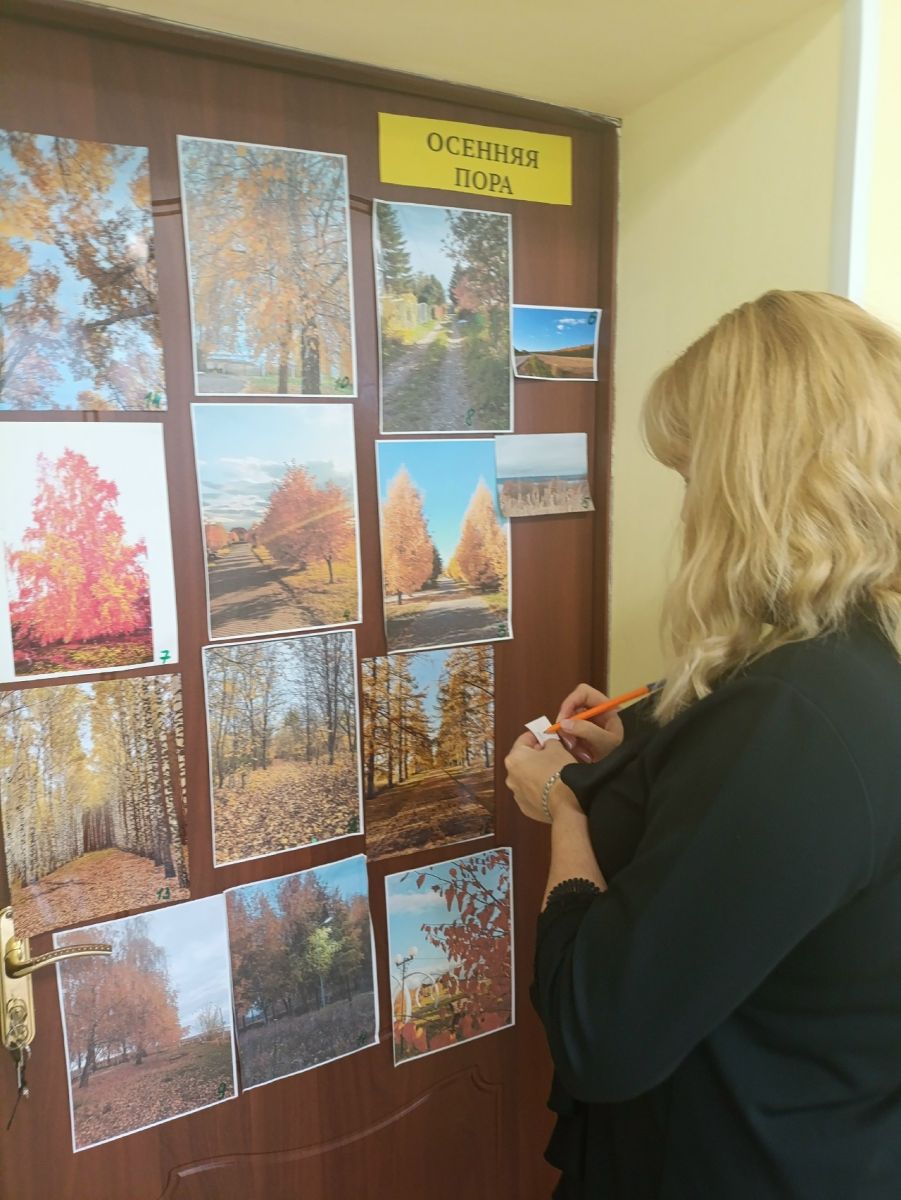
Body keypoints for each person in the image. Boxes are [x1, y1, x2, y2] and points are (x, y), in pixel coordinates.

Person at [504, 290, 901, 1199]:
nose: (685, 511)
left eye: (691, 478)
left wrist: (564, 805)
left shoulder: (796, 715)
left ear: (748, 486)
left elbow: (599, 1031)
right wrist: (643, 752)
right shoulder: (859, 662)